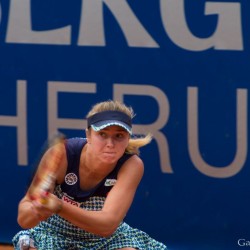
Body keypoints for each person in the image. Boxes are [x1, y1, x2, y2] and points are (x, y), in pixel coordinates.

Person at [13, 100, 167, 250]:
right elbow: (23, 219)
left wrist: (59, 206)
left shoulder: (132, 165)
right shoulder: (63, 155)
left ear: (128, 138)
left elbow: (107, 226)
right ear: (88, 135)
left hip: (106, 239)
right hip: (52, 232)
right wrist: (36, 209)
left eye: (119, 136)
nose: (110, 144)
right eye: (102, 134)